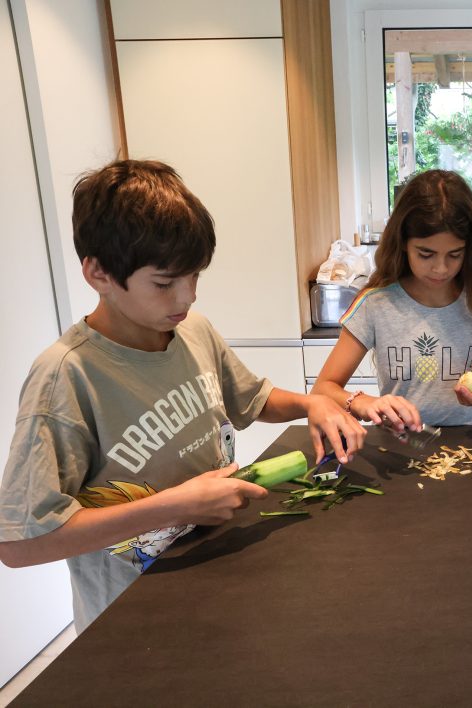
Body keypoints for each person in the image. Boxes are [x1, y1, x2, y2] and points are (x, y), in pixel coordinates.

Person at [0, 159, 365, 630]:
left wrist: (312, 403)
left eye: (194, 276)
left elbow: (252, 400)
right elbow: (20, 544)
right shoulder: (65, 377)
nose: (186, 297)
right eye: (164, 283)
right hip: (133, 616)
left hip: (218, 578)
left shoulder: (194, 331)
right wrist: (176, 505)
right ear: (98, 273)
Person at [313, 169, 472, 428]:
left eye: (455, 255)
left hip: (465, 452)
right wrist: (363, 402)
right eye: (426, 254)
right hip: (397, 450)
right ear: (403, 242)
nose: (441, 268)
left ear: (470, 249)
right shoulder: (376, 304)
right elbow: (322, 390)